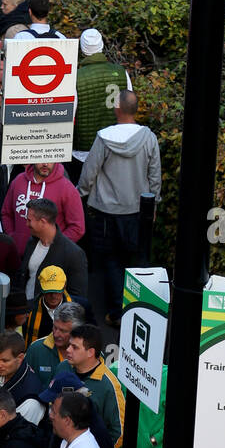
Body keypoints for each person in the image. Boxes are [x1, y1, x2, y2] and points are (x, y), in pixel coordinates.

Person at [78, 90, 161, 325]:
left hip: (105, 212)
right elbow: (154, 175)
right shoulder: (149, 138)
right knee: (138, 261)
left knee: (111, 261)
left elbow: (90, 171)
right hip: (137, 211)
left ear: (117, 108)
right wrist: (153, 203)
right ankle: (140, 311)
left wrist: (79, 194)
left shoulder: (104, 138)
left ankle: (116, 312)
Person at [69, 27, 131, 184]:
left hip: (83, 151)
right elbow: (128, 107)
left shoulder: (75, 77)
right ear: (101, 46)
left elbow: (71, 113)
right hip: (115, 147)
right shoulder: (121, 72)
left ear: (82, 50)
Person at [0, 161, 85, 257]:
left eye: (50, 160)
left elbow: (77, 228)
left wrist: (54, 245)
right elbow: (6, 213)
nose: (45, 164)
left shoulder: (67, 188)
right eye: (42, 159)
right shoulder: (18, 181)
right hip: (17, 255)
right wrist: (13, 237)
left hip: (50, 258)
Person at [14, 198, 89, 301]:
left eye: (29, 220)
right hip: (25, 310)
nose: (27, 224)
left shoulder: (74, 254)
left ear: (43, 222)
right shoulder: (32, 242)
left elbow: (77, 298)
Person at [25, 301, 88, 385]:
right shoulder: (36, 349)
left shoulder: (90, 352)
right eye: (55, 327)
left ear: (78, 331)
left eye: (63, 331)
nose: (56, 334)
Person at [22, 265, 78, 347]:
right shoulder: (28, 310)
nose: (53, 295)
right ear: (41, 287)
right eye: (49, 291)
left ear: (64, 286)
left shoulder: (78, 310)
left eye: (57, 290)